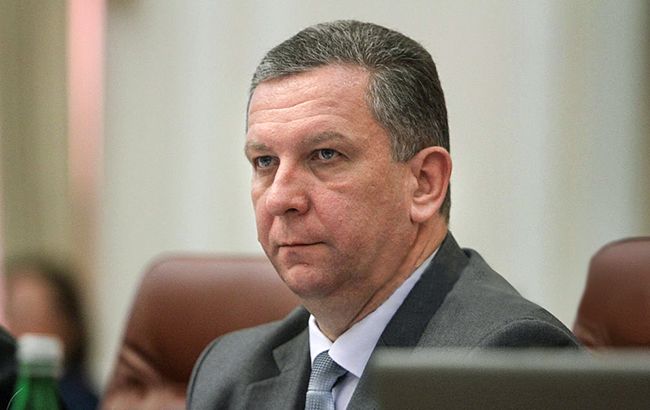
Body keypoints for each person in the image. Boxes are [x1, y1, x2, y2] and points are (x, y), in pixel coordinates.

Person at [188, 20, 579, 409]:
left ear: (424, 183)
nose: (279, 198)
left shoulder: (507, 363)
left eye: (325, 155)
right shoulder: (229, 372)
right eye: (264, 161)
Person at [4, 256, 99, 410]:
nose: (8, 328)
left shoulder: (78, 402)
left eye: (24, 315)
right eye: (7, 314)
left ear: (68, 326)